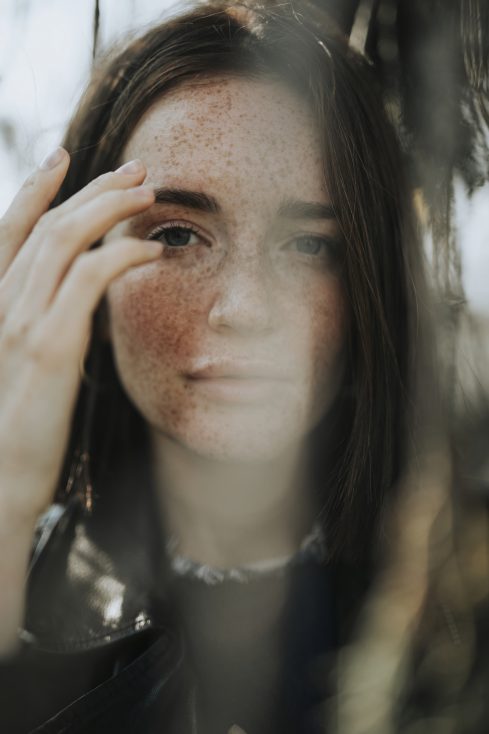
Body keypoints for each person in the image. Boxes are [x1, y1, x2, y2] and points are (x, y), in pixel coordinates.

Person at [0, 1, 435, 732]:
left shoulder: (451, 618)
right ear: (77, 272)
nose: (244, 308)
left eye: (310, 245)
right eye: (175, 234)